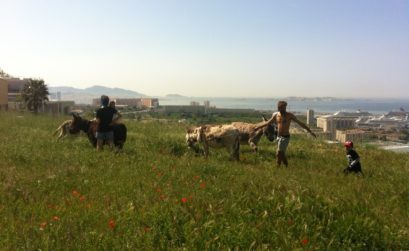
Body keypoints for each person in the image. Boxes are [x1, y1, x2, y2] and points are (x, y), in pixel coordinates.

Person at [256, 101, 316, 167]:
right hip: (278, 136)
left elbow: (301, 123)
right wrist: (257, 127)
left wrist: (310, 131)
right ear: (278, 108)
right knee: (282, 153)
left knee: (278, 153)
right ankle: (286, 165)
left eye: (284, 108)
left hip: (285, 137)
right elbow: (267, 123)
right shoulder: (276, 115)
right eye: (281, 108)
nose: (283, 109)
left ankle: (277, 167)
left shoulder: (289, 115)